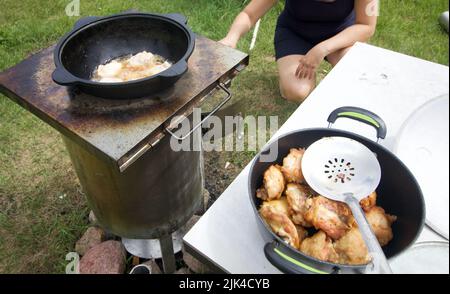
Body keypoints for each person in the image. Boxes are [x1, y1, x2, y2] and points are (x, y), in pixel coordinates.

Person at [220, 0, 378, 102]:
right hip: (295, 31)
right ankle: (288, 82)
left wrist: (323, 48)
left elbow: (367, 27)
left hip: (340, 35)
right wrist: (231, 38)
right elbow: (250, 13)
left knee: (356, 76)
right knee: (297, 91)